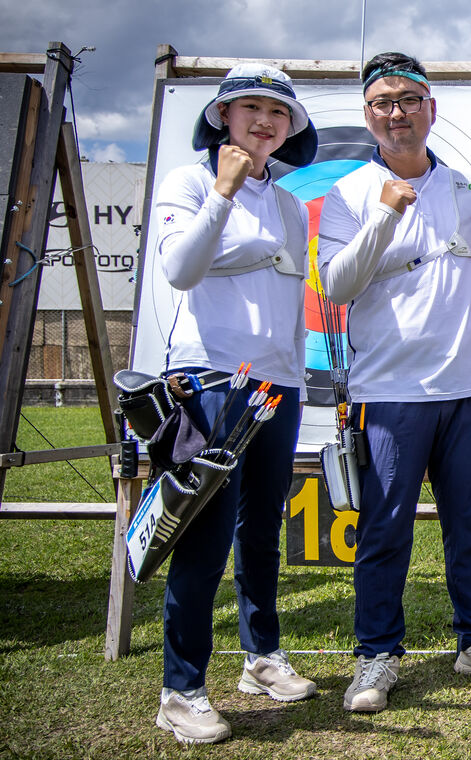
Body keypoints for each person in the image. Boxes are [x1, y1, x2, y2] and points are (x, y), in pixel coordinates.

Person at [317, 51, 471, 713]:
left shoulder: (469, 192)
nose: (398, 112)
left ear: (431, 110)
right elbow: (336, 285)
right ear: (369, 116)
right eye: (384, 102)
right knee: (384, 530)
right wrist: (385, 213)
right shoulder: (347, 193)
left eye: (410, 100)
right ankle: (376, 655)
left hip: (468, 392)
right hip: (387, 396)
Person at [151, 64, 320, 744]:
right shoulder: (188, 181)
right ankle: (181, 688)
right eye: (249, 107)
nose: (264, 121)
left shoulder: (285, 202)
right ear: (223, 116)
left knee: (260, 532)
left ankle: (261, 658)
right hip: (210, 381)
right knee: (204, 537)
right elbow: (180, 269)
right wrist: (221, 193)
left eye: (277, 113)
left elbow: (286, 304)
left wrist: (295, 380)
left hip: (276, 385)